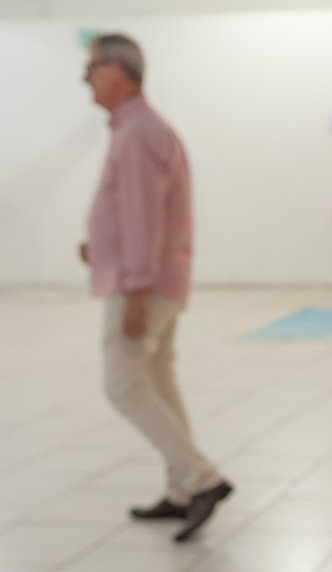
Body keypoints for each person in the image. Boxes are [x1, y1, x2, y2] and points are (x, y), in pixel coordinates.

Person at [80, 33, 231, 543]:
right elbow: (136, 214)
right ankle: (182, 489)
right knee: (160, 381)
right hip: (153, 275)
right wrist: (99, 246)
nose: (85, 79)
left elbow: (145, 218)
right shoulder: (138, 128)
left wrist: (138, 290)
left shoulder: (139, 132)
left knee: (123, 383)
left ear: (119, 72)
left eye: (92, 68)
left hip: (142, 283)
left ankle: (200, 478)